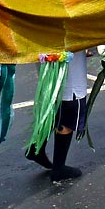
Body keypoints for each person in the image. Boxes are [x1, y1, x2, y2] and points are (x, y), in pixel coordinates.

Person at [26, 50, 88, 180]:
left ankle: (37, 148)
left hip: (45, 47)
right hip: (64, 50)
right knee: (70, 103)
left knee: (52, 99)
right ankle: (59, 168)